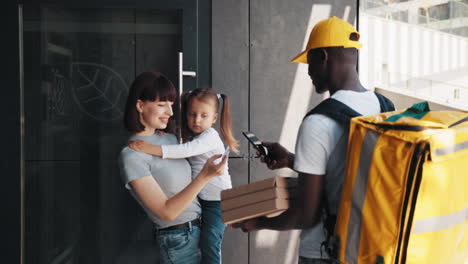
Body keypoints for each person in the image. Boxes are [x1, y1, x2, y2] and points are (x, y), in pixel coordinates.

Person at [232, 16, 394, 264]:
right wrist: (290, 159)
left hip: (324, 252)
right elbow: (349, 172)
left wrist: (260, 222)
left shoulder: (318, 122)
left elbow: (306, 215)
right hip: (368, 247)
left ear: (323, 57)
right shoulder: (385, 108)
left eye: (309, 61)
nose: (308, 71)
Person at [118, 72, 228, 264]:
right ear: (140, 105)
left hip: (201, 227)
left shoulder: (169, 139)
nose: (170, 112)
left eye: (171, 104)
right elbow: (166, 212)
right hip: (177, 238)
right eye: (162, 105)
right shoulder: (131, 156)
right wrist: (204, 176)